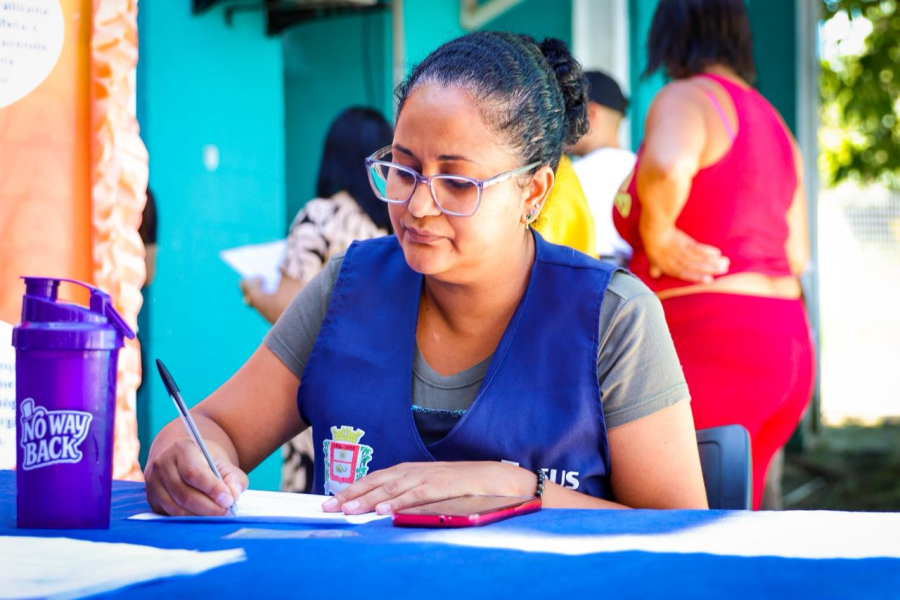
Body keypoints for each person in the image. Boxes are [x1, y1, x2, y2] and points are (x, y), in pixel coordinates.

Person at [145, 31, 708, 517]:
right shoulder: (348, 291)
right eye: (403, 169)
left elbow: (678, 532)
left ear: (532, 192)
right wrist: (188, 457)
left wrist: (514, 489)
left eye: (458, 183)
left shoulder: (612, 318)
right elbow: (210, 428)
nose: (417, 206)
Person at [613, 0, 814, 510]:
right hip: (785, 348)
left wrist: (656, 234)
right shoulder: (775, 124)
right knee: (735, 530)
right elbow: (797, 253)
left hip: (713, 347)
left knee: (678, 536)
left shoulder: (686, 97)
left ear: (669, 35)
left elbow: (665, 162)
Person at [240, 107, 393, 493]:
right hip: (378, 388)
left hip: (320, 389)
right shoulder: (393, 224)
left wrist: (256, 293)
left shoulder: (320, 216)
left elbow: (292, 309)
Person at [567, 71, 635, 267]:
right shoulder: (639, 168)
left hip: (588, 276)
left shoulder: (571, 176)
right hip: (638, 286)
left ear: (589, 114)